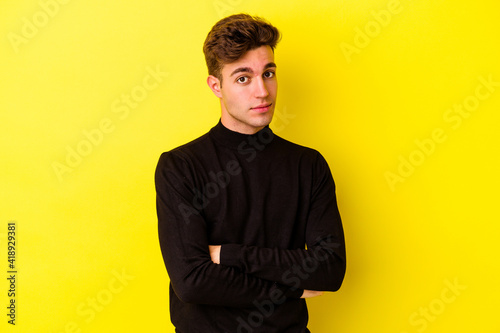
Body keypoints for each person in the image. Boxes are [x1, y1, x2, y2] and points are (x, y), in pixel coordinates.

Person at [155, 13, 346, 333]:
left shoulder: (308, 165)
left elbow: (328, 270)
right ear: (216, 86)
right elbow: (192, 282)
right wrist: (292, 290)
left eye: (268, 73)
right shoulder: (180, 166)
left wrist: (229, 254)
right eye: (243, 78)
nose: (262, 91)